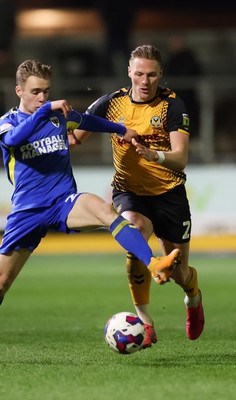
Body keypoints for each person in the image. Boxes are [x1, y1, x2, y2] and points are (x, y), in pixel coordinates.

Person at [0, 59, 181, 364]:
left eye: (46, 92)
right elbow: (13, 141)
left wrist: (122, 128)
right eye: (36, 92)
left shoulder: (57, 116)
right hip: (27, 211)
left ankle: (153, 263)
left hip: (64, 201)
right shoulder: (6, 123)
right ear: (19, 90)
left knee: (105, 211)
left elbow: (88, 121)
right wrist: (46, 112)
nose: (42, 98)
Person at [71, 44, 205, 348]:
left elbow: (180, 157)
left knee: (178, 271)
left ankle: (194, 298)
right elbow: (75, 138)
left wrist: (153, 155)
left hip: (169, 193)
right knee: (132, 234)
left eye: (152, 75)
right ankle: (145, 323)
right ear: (129, 72)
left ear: (160, 75)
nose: (145, 81)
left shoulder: (173, 106)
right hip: (129, 191)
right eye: (140, 74)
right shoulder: (111, 103)